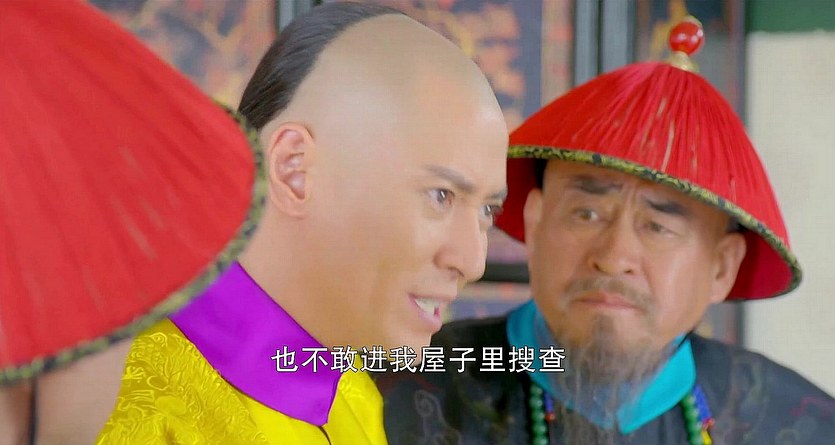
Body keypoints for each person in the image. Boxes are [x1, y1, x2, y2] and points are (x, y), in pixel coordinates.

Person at [378, 18, 835, 445]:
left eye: (658, 226)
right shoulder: (397, 385)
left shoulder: (800, 422)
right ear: (536, 222)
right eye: (586, 214)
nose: (614, 258)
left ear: (722, 268)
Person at [96, 2, 508, 444]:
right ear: (294, 169)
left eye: (487, 210)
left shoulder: (353, 396)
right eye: (440, 195)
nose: (472, 261)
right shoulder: (130, 406)